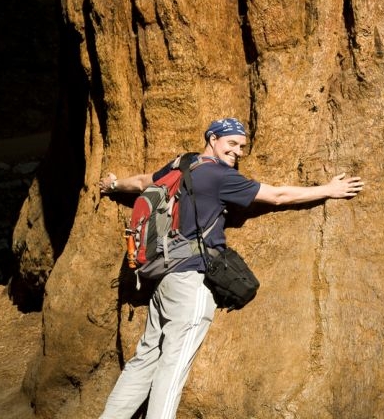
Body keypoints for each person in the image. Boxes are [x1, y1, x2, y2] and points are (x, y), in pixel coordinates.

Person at [97, 117, 364, 419]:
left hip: (163, 278)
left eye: (242, 146)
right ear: (213, 138)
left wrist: (114, 185)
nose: (237, 151)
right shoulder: (219, 176)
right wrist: (327, 189)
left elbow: (144, 182)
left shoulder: (182, 163)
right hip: (191, 282)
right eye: (231, 143)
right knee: (173, 369)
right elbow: (277, 196)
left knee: (144, 359)